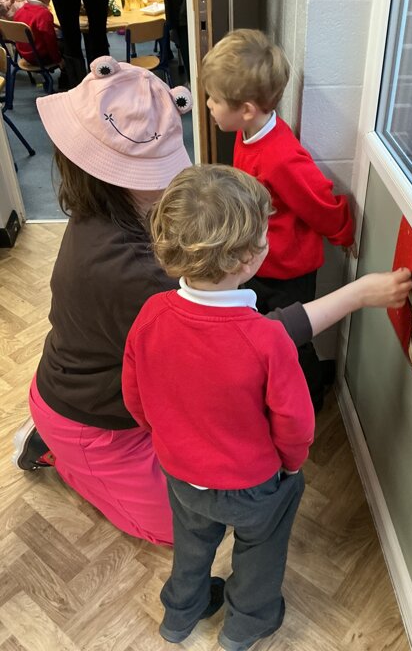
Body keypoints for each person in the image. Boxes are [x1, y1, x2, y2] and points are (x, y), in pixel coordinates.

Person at [11, 59, 412, 549]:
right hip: (94, 421)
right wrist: (357, 294)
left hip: (120, 396)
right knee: (179, 529)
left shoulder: (110, 212)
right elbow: (245, 342)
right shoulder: (133, 275)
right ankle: (59, 451)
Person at [122, 165, 314, 649]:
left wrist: (167, 437)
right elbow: (295, 424)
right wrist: (291, 466)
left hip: (181, 472)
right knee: (262, 546)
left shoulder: (150, 315)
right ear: (248, 257)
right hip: (252, 483)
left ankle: (178, 616)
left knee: (191, 542)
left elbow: (135, 397)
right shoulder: (267, 339)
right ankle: (246, 625)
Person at [201, 29, 356, 413]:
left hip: (288, 272)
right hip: (261, 261)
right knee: (264, 331)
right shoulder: (247, 132)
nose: (208, 105)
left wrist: (342, 232)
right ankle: (272, 387)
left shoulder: (281, 156)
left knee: (293, 339)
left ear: (246, 109)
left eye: (214, 99)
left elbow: (318, 200)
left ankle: (310, 401)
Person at [13, 0, 61, 66]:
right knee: (66, 42)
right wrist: (58, 60)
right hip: (41, 58)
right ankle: (66, 72)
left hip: (25, 55)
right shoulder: (44, 14)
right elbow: (50, 41)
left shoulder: (19, 11)